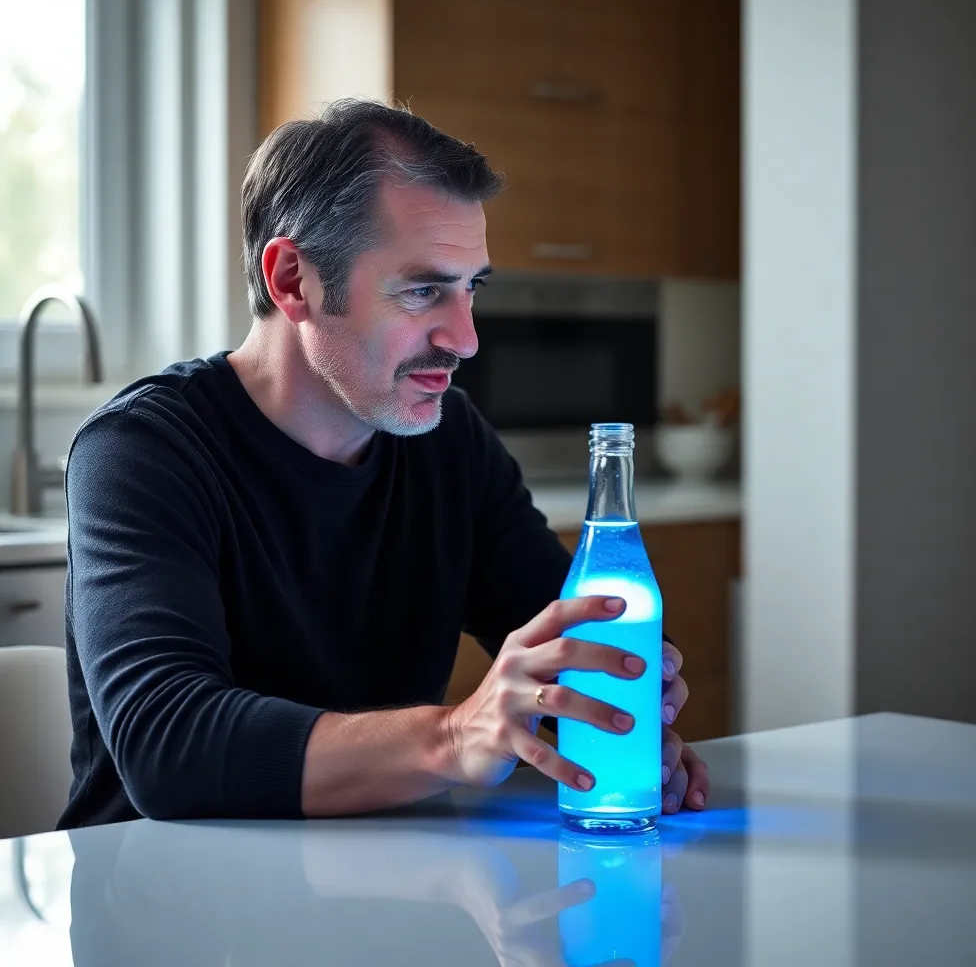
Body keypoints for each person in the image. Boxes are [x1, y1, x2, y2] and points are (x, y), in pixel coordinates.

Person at [57, 98, 708, 830]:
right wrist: (455, 736)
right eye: (424, 289)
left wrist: (621, 707)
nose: (465, 340)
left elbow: (561, 643)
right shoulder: (142, 452)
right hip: (161, 904)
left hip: (387, 887)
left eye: (472, 289)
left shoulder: (448, 439)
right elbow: (167, 746)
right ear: (293, 279)